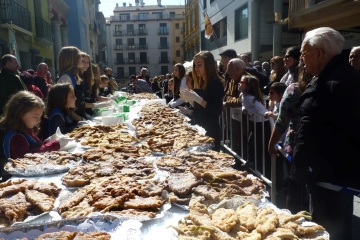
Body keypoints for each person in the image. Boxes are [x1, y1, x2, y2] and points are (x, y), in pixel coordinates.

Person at [292, 27, 360, 239]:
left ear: (319, 53)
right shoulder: (327, 76)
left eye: (304, 54)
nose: (302, 60)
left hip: (332, 179)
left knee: (330, 231)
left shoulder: (341, 83)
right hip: (322, 175)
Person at [268, 61, 312, 213]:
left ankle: (296, 224)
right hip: (326, 150)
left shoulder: (294, 89)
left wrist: (272, 144)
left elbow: (282, 120)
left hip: (297, 146)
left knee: (296, 189)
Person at [0, 91, 71, 180]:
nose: (39, 120)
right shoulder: (15, 137)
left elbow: (34, 147)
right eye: (35, 117)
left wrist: (47, 141)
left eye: (40, 117)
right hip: (17, 179)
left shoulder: (26, 129)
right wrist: (55, 144)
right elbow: (27, 156)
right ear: (20, 114)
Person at [180, 51, 224, 151]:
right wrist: (191, 101)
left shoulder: (215, 83)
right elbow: (201, 108)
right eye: (195, 65)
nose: (196, 68)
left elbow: (217, 110)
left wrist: (198, 99)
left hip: (211, 130)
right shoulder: (203, 82)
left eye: (199, 65)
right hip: (201, 128)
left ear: (208, 65)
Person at [239, 75, 270, 173]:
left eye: (242, 83)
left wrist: (249, 111)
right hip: (255, 122)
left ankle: (255, 163)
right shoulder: (243, 95)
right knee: (251, 141)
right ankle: (252, 161)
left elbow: (259, 108)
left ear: (248, 86)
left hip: (262, 123)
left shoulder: (251, 98)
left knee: (256, 142)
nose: (239, 84)